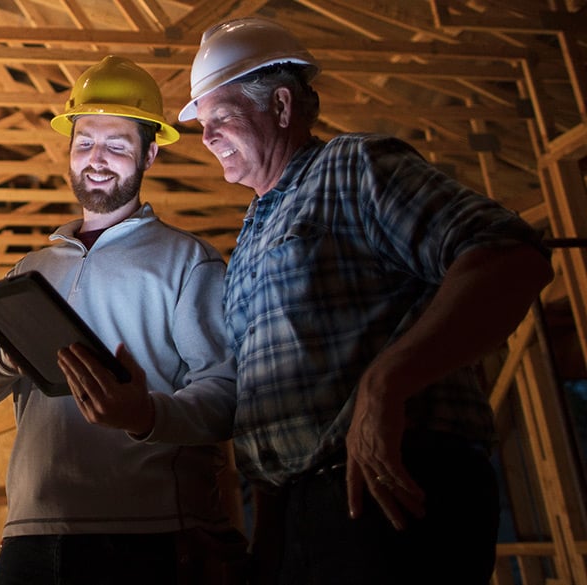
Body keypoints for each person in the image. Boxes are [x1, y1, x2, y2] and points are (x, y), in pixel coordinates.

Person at [171, 16, 555, 585]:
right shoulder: (252, 230)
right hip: (300, 514)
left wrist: (386, 383)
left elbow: (507, 256)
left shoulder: (352, 167)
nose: (206, 139)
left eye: (220, 118)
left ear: (280, 105)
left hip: (392, 486)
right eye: (202, 125)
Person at [0, 55, 243, 585]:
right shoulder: (29, 271)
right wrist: (12, 351)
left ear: (150, 153)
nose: (96, 159)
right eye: (84, 143)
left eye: (117, 145)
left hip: (149, 535)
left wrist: (146, 415)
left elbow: (224, 393)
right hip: (32, 533)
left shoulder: (187, 261)